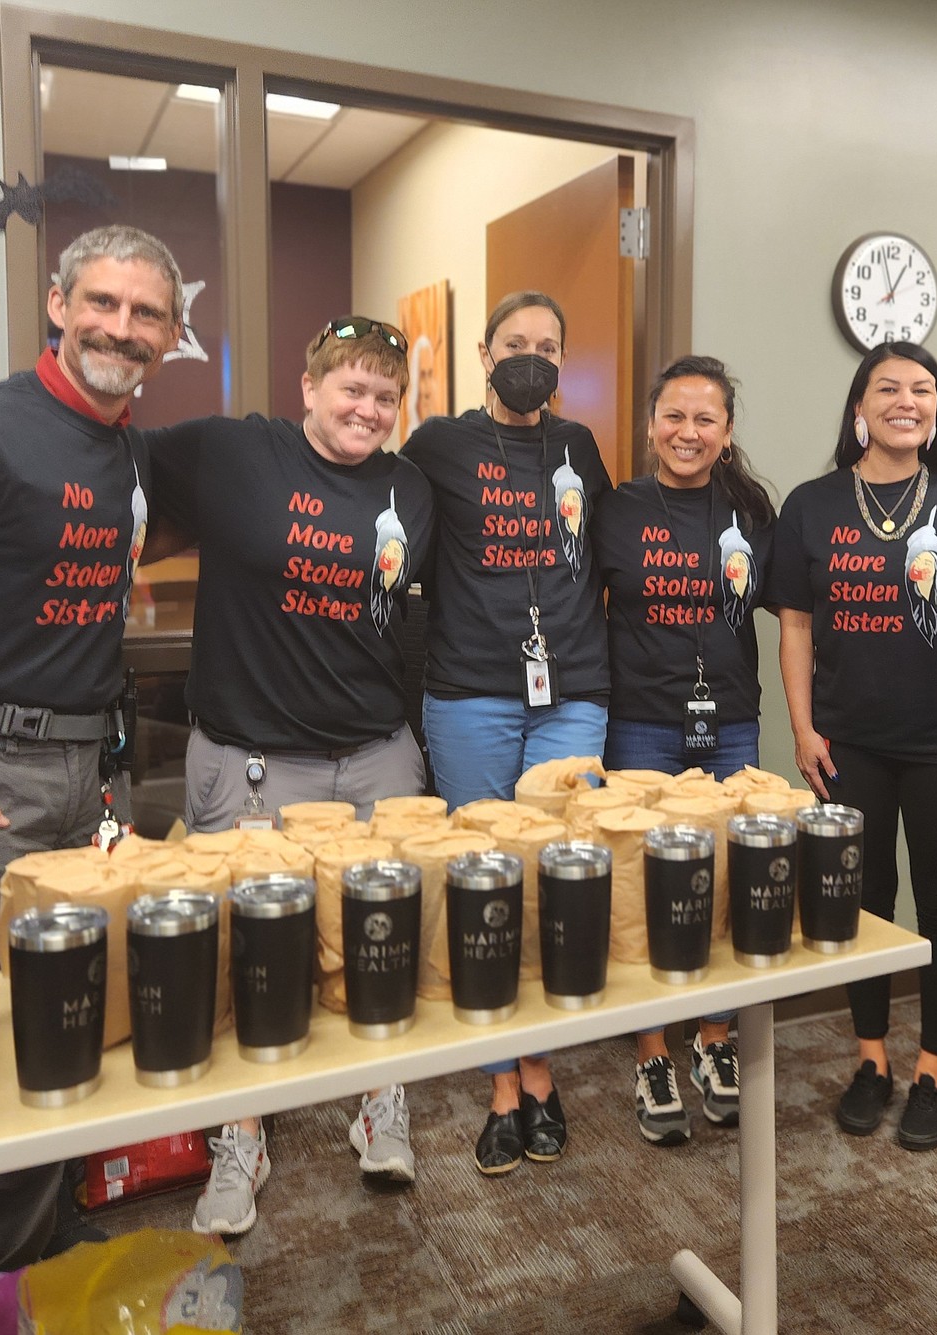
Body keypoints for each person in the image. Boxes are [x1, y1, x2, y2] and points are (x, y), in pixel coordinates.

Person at [0, 224, 182, 1271]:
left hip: (93, 771)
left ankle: (47, 1230)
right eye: (102, 303)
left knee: (74, 1004)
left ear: (171, 333)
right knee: (5, 1025)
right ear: (57, 306)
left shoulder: (127, 447)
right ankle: (1, 1274)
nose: (121, 327)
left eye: (147, 313)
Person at [146, 316, 435, 1233]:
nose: (368, 408)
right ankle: (241, 1137)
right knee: (248, 956)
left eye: (385, 396)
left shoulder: (411, 489)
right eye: (351, 388)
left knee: (384, 938)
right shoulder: (235, 453)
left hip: (379, 754)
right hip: (255, 765)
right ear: (308, 387)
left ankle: (380, 1104)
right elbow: (117, 475)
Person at [770, 341, 937, 1150]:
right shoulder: (811, 505)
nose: (906, 400)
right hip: (848, 745)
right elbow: (795, 626)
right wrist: (804, 727)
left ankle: (932, 1072)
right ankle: (872, 1061)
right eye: (888, 387)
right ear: (859, 408)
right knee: (864, 904)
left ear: (936, 410)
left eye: (922, 389)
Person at [402, 291, 611, 1176]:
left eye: (548, 345)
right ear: (484, 355)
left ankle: (544, 1072)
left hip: (572, 691)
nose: (532, 356)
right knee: (485, 881)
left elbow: (602, 556)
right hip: (470, 693)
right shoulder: (439, 445)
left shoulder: (578, 447)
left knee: (559, 879)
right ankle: (502, 1084)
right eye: (515, 343)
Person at [594, 355, 775, 1146]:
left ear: (727, 432)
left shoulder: (753, 514)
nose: (688, 432)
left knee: (729, 881)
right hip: (639, 723)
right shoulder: (617, 509)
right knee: (646, 890)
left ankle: (714, 1038)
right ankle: (652, 1051)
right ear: (651, 422)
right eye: (674, 415)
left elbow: (799, 610)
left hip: (729, 719)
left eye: (706, 419)